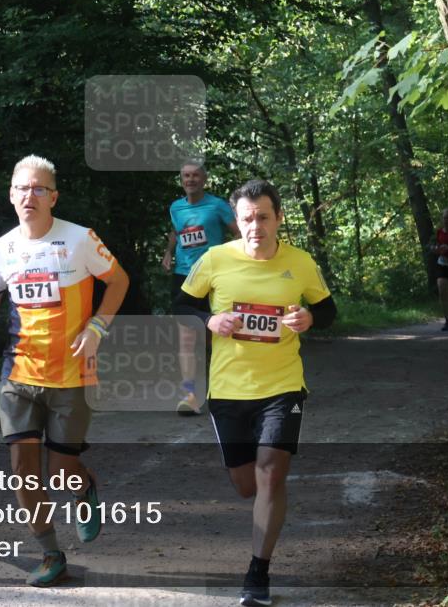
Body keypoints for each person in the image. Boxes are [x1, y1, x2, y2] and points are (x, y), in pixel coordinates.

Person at [0, 155, 129, 587]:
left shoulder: (79, 240)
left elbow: (119, 282)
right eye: (22, 188)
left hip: (73, 375)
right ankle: (50, 553)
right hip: (18, 374)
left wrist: (97, 326)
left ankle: (84, 486)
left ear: (53, 196)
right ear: (11, 195)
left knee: (62, 469)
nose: (29, 196)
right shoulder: (1, 248)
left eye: (39, 189)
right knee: (23, 467)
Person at [172, 179, 336, 606]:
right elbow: (181, 304)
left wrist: (308, 317)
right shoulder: (215, 259)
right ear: (236, 222)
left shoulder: (300, 263)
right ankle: (262, 518)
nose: (255, 226)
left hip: (283, 386)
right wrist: (210, 321)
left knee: (270, 472)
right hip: (228, 389)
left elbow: (328, 308)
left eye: (263, 217)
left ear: (278, 218)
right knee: (247, 484)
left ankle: (257, 574)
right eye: (247, 218)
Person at [161, 162, 238, 415]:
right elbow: (176, 231)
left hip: (214, 278)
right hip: (184, 277)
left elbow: (239, 234)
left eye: (195, 175)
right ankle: (189, 394)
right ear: (181, 179)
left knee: (214, 336)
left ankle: (222, 388)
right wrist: (168, 253)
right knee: (186, 336)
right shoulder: (176, 207)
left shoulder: (218, 206)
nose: (190, 179)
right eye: (186, 175)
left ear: (204, 178)